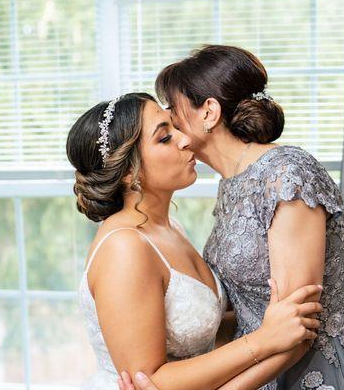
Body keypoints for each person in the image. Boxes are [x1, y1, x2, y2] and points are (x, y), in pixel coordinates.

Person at [136, 44, 344, 389]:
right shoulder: (232, 183)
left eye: (172, 109)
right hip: (257, 369)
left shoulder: (287, 175)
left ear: (208, 112)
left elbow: (298, 330)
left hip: (312, 373)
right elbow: (252, 308)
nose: (169, 121)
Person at [66, 93, 323, 390]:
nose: (185, 139)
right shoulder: (125, 247)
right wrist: (264, 340)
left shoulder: (168, 226)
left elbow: (202, 330)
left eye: (175, 127)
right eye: (164, 138)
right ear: (126, 171)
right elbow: (149, 381)